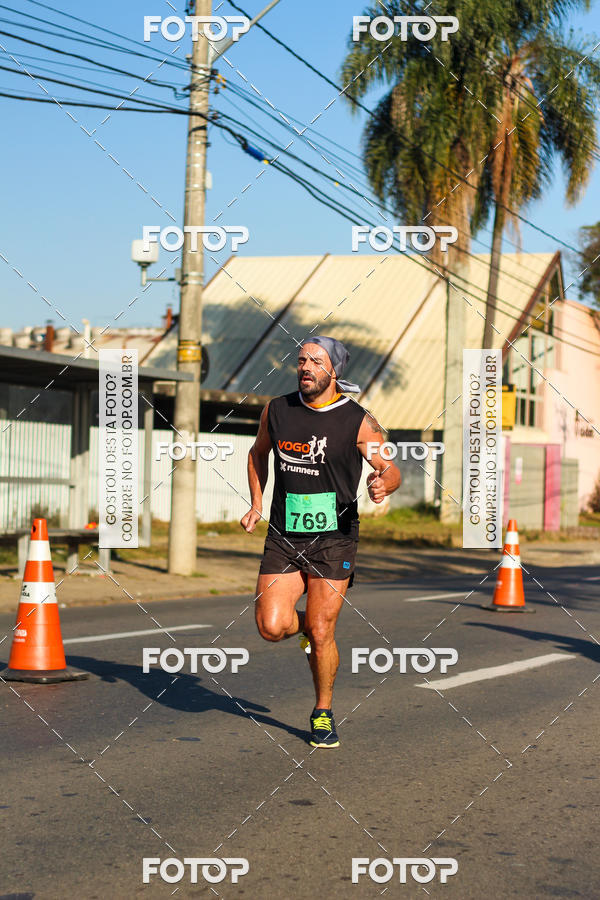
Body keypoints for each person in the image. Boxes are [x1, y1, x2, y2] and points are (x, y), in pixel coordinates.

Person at [240, 337, 401, 748]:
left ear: (335, 371)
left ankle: (323, 711)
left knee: (322, 626)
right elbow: (257, 454)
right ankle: (306, 631)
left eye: (316, 360)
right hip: (284, 534)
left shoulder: (357, 420)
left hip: (335, 539)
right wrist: (257, 503)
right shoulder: (277, 410)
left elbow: (390, 467)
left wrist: (384, 483)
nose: (306, 366)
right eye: (301, 360)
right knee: (271, 626)